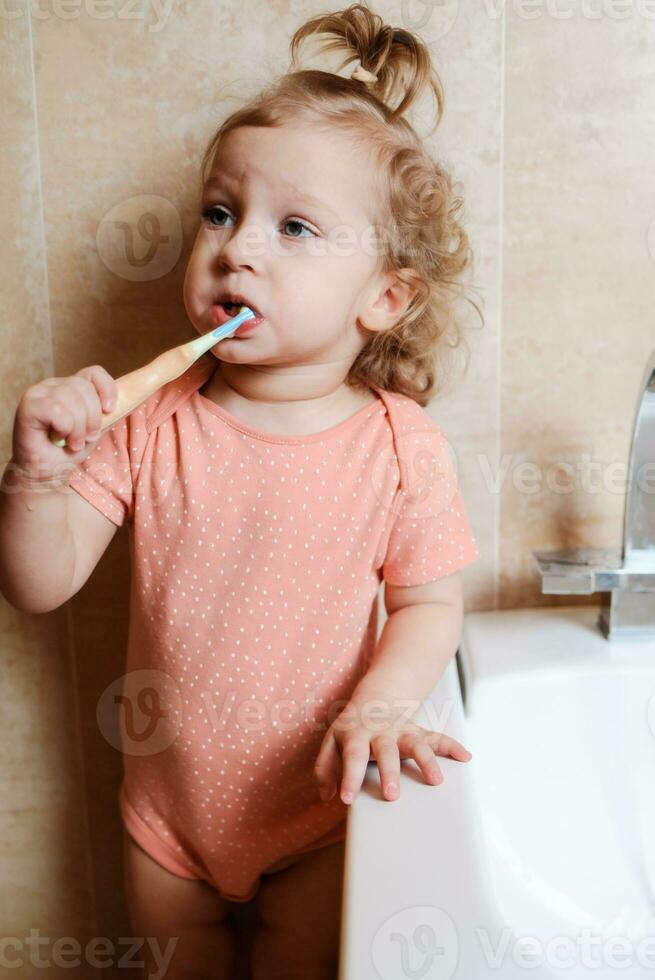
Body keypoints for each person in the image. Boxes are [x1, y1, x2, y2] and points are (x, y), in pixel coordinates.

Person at [0, 3, 484, 977]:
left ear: (383, 296)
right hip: (166, 821)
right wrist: (34, 479)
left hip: (317, 817)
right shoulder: (153, 417)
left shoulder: (400, 444)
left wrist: (386, 701)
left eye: (293, 226)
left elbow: (430, 602)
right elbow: (38, 583)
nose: (237, 248)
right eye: (220, 212)